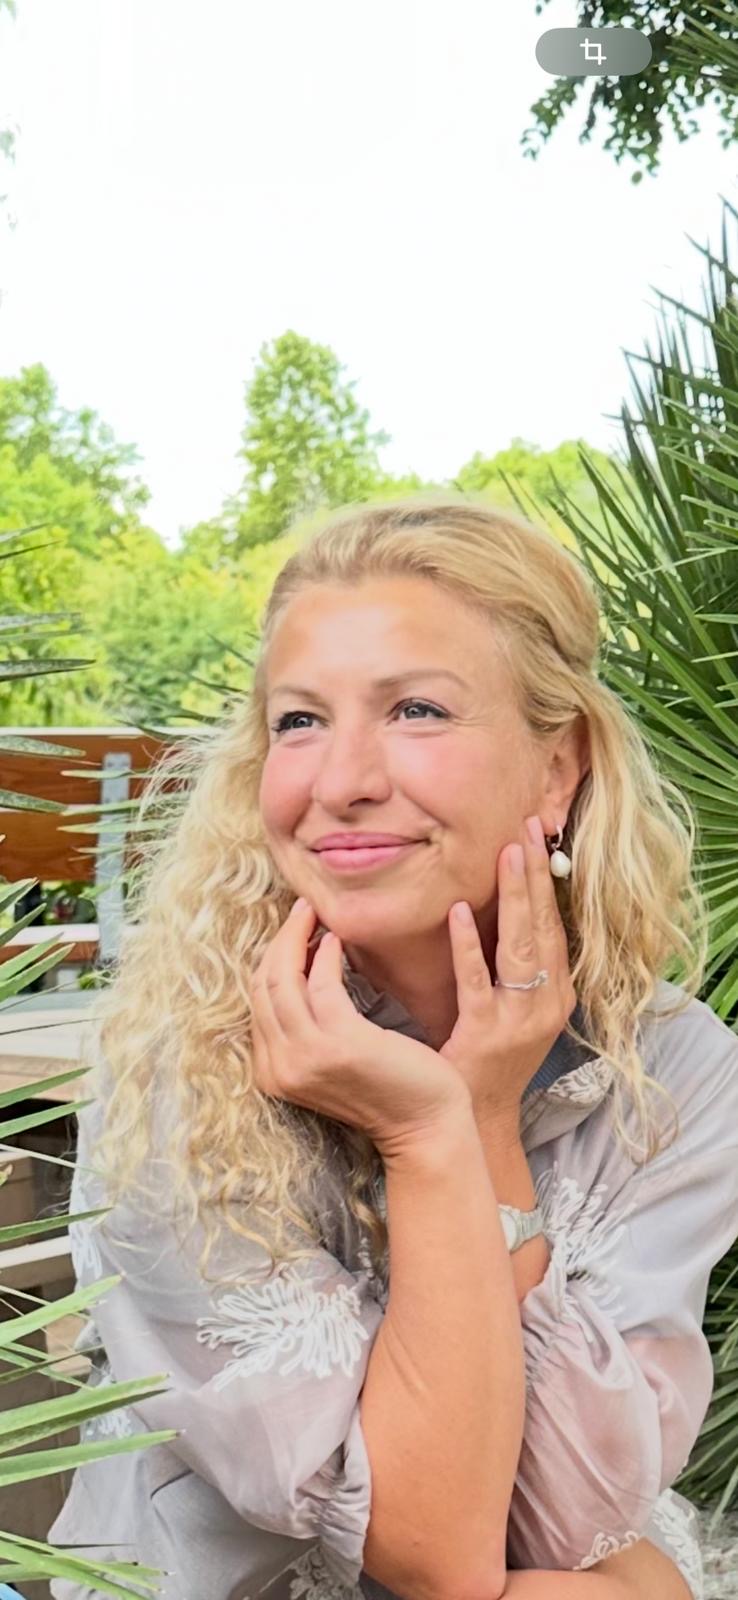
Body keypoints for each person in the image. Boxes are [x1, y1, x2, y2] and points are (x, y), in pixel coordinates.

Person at [47, 497, 738, 1600]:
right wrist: (429, 1133)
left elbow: (566, 1518)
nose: (341, 782)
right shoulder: (179, 1072)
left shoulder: (675, 1067)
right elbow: (432, 1552)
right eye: (299, 721)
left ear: (556, 769)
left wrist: (483, 1122)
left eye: (416, 710)